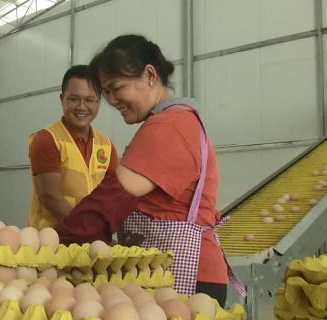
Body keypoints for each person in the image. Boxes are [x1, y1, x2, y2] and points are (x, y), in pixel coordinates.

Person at [55, 35, 245, 304]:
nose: (112, 100)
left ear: (149, 75)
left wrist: (58, 242)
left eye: (116, 87)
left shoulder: (170, 125)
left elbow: (111, 200)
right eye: (106, 92)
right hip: (167, 272)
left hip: (184, 276)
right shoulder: (173, 121)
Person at [27, 65, 119, 230]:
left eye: (89, 100)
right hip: (51, 242)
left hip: (87, 241)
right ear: (62, 99)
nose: (82, 107)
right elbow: (50, 196)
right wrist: (88, 230)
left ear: (99, 101)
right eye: (74, 99)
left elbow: (112, 195)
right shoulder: (47, 139)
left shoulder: (106, 144)